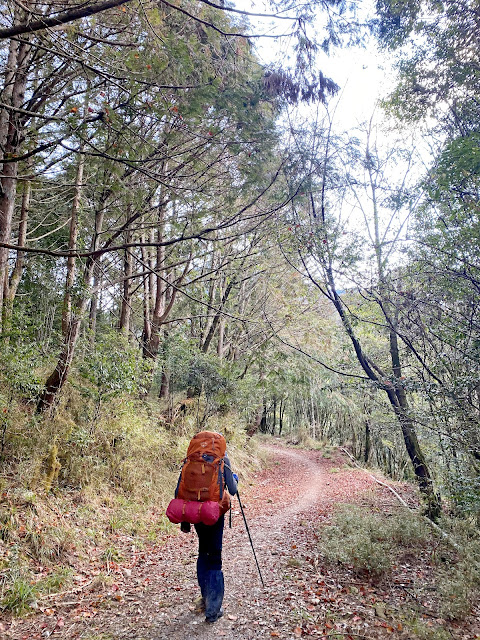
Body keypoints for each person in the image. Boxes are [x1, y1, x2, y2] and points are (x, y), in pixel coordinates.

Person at [177, 444, 238, 624]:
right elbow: (233, 490)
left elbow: (180, 489)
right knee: (215, 557)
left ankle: (205, 598)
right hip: (214, 513)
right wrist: (234, 478)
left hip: (196, 514)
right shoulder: (222, 459)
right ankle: (213, 610)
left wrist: (184, 520)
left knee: (203, 551)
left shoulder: (192, 459)